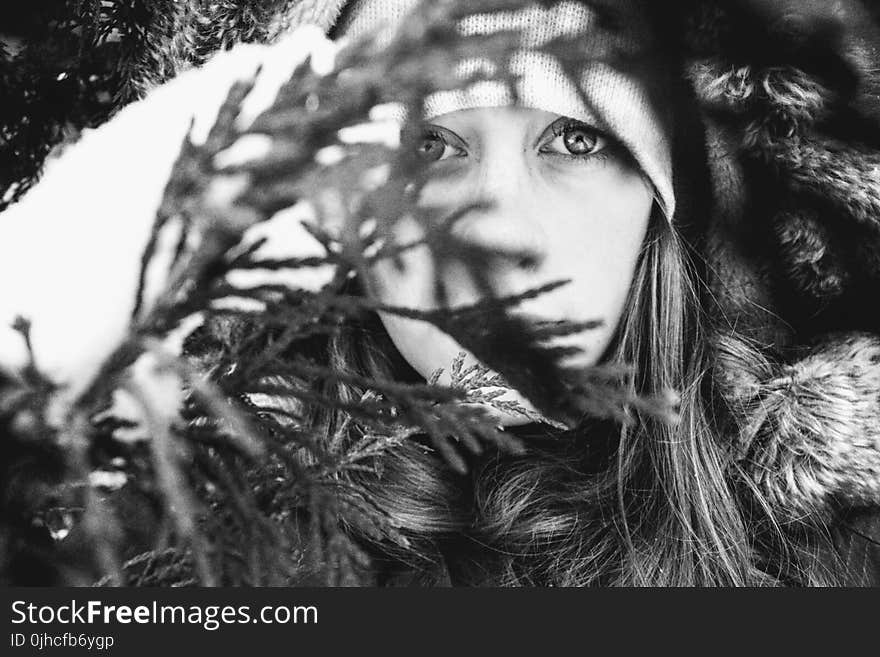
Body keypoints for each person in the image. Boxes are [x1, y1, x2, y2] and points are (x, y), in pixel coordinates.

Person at [1, 0, 879, 586]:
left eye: (577, 142)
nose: (500, 235)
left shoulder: (839, 568)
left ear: (662, 215)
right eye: (428, 148)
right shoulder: (132, 555)